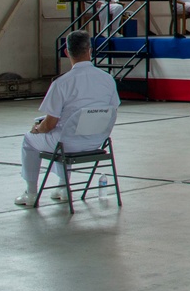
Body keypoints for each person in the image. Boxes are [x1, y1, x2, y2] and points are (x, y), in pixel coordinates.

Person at [14, 30, 120, 206]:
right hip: (97, 141)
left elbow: (49, 124)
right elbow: (112, 109)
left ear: (67, 52)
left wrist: (38, 128)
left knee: (31, 140)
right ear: (90, 50)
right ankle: (63, 187)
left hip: (68, 143)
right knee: (67, 130)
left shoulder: (62, 83)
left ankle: (31, 193)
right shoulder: (108, 79)